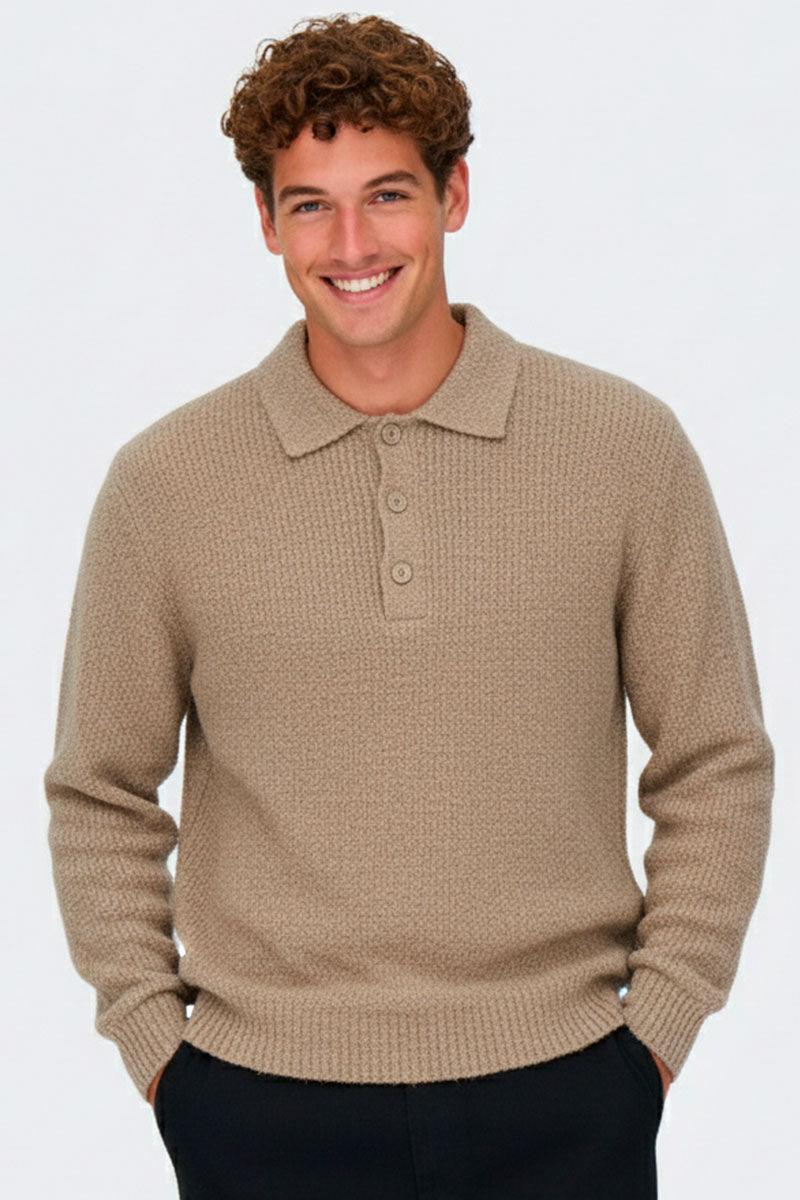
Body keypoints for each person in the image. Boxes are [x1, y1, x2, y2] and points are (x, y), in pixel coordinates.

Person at [43, 12, 774, 1199]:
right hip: (257, 1103)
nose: (351, 244)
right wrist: (157, 1051)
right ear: (265, 223)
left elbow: (715, 756)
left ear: (454, 195)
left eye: (386, 195)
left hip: (565, 1088)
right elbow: (100, 790)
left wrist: (658, 1028)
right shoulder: (165, 483)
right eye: (309, 205)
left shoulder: (621, 448)